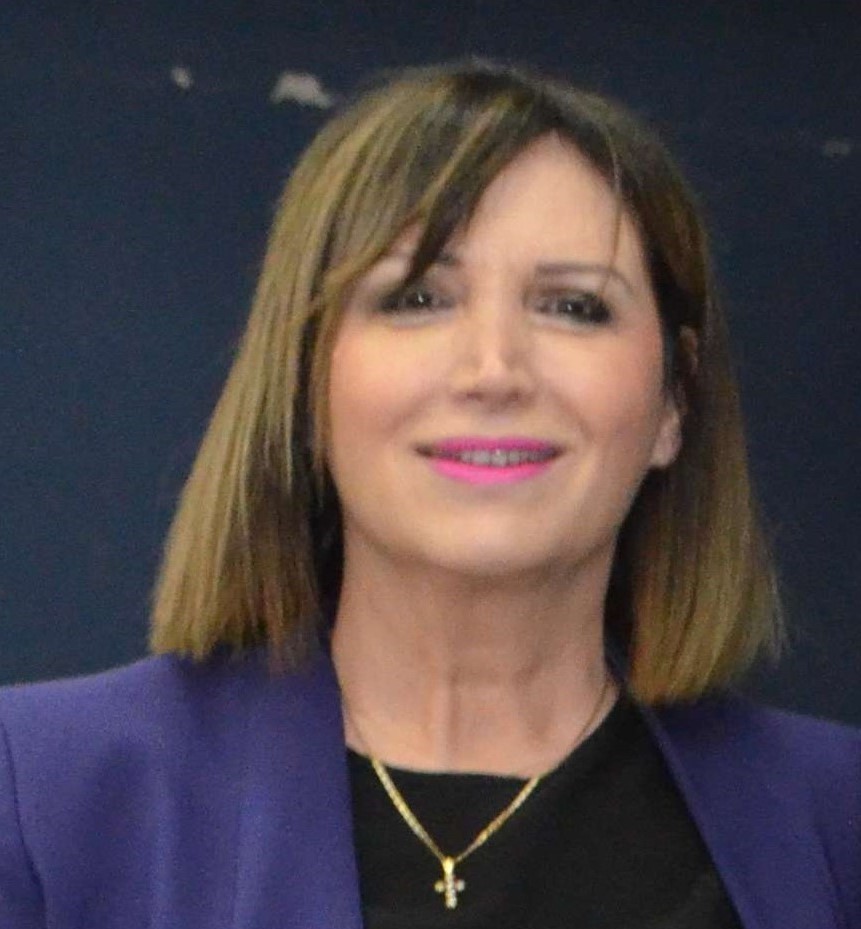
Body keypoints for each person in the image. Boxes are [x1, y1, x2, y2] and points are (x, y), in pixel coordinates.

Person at [0, 60, 858, 929]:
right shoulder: (40, 796)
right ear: (304, 382)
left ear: (674, 398)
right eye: (417, 296)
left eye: (571, 306)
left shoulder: (835, 825)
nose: (493, 369)